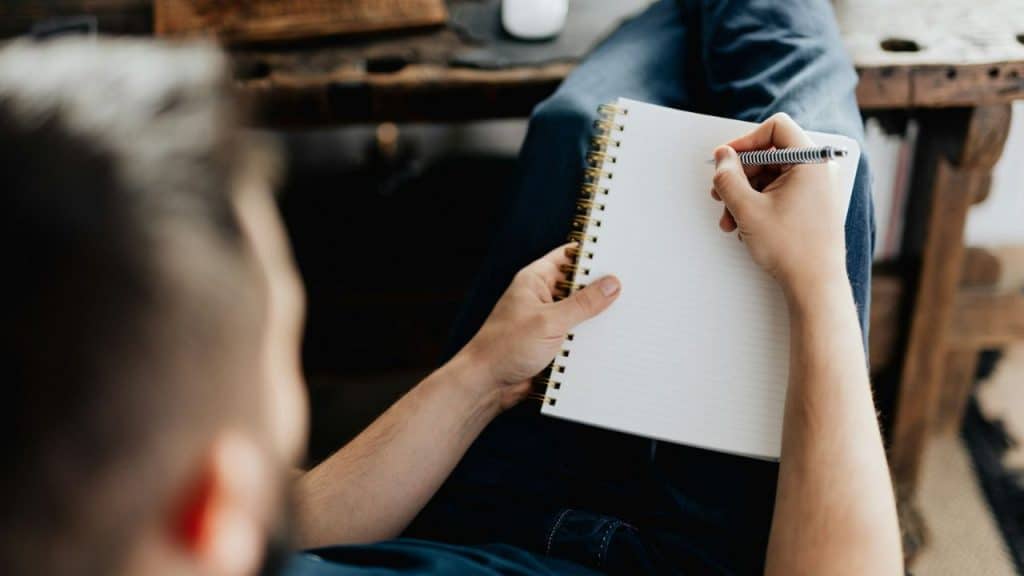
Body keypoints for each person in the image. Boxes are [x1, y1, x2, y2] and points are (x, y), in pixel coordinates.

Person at [1, 2, 900, 576]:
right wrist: (819, 284)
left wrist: (479, 374)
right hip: (721, 551)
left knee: (578, 130)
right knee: (814, 145)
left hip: (476, 507)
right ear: (217, 504)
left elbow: (301, 520)